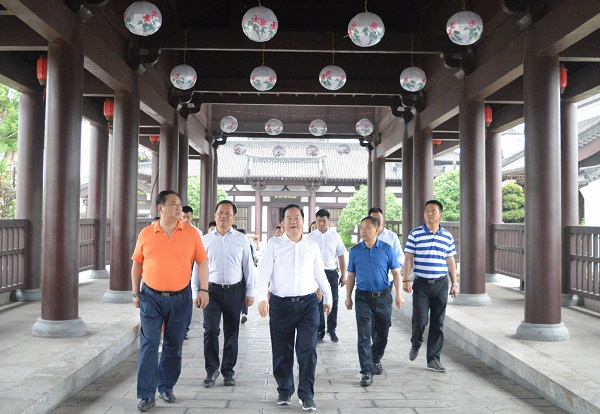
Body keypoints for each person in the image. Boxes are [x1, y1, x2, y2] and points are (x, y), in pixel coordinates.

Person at [131, 190, 209, 412]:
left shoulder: (191, 233)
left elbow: (202, 262)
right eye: (173, 204)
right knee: (149, 343)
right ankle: (146, 394)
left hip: (180, 297)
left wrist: (204, 289)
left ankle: (166, 386)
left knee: (173, 344)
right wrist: (135, 293)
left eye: (180, 204)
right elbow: (137, 263)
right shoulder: (146, 233)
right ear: (161, 208)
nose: (179, 208)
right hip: (150, 297)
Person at [256, 204, 332, 412]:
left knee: (307, 350)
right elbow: (263, 273)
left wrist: (328, 297)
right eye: (288, 218)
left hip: (308, 305)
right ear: (282, 222)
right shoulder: (274, 244)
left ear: (303, 221)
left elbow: (320, 273)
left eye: (297, 217)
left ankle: (306, 394)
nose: (293, 222)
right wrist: (262, 297)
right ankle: (284, 389)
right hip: (280, 305)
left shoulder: (311, 245)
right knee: (282, 350)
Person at [193, 200, 255, 388]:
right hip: (211, 291)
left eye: (228, 213)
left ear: (233, 217)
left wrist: (250, 291)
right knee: (210, 330)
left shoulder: (241, 239)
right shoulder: (205, 239)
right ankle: (211, 370)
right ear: (215, 215)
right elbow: (197, 266)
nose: (224, 216)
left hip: (234, 291)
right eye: (220, 212)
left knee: (232, 332)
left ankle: (228, 371)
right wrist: (196, 291)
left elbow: (248, 266)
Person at [345, 216, 403, 387]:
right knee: (364, 335)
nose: (363, 231)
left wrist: (399, 295)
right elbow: (351, 276)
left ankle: (375, 358)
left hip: (383, 297)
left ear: (377, 230)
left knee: (382, 335)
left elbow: (396, 273)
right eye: (361, 227)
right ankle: (366, 371)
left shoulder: (387, 249)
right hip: (363, 297)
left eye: (368, 227)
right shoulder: (355, 251)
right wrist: (348, 297)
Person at [403, 199, 458, 373]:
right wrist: (406, 279)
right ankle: (416, 342)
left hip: (441, 284)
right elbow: (409, 258)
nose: (429, 213)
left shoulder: (447, 236)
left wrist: (455, 283)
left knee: (437, 322)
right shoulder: (415, 234)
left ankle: (433, 359)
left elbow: (450, 260)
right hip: (421, 284)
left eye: (433, 211)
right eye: (427, 210)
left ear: (440, 215)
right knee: (420, 321)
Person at [307, 209, 347, 343]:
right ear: (316, 221)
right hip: (315, 275)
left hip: (331, 273)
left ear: (329, 221)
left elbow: (341, 256)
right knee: (318, 301)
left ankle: (332, 329)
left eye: (324, 221)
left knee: (334, 300)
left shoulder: (335, 236)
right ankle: (320, 330)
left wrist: (343, 275)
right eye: (319, 221)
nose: (321, 223)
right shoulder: (310, 237)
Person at [181, 205, 202, 340]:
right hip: (178, 268)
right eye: (183, 217)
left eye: (188, 217)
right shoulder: (174, 230)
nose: (185, 220)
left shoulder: (197, 233)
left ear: (192, 217)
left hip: (192, 267)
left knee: (188, 299)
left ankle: (185, 329)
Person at [368, 207, 405, 280]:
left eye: (379, 218)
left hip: (388, 278)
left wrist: (395, 265)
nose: (376, 221)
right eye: (373, 219)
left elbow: (400, 255)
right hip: (369, 278)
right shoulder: (365, 236)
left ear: (383, 219)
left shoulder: (392, 236)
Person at [237, 228, 258, 324]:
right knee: (244, 293)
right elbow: (253, 255)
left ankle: (242, 313)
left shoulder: (245, 243)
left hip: (240, 274)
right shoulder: (248, 243)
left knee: (242, 293)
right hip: (244, 273)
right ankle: (244, 313)